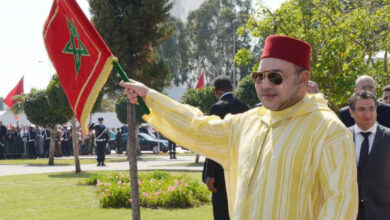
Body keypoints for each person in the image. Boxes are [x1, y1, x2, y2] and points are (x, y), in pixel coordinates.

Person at [120, 35, 358, 219]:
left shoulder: (328, 131)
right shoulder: (247, 123)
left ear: (303, 80)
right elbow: (196, 128)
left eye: (276, 77)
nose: (265, 84)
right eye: (259, 76)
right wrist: (150, 97)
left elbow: (340, 206)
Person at [202, 75, 249, 220]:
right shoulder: (245, 107)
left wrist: (210, 174)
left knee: (221, 212)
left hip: (220, 170)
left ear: (217, 92)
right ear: (232, 88)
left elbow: (214, 142)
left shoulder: (217, 107)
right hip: (241, 167)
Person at [347, 91, 390, 220]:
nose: (367, 114)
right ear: (351, 112)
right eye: (361, 109)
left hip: (383, 212)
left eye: (372, 109)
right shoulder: (342, 138)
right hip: (351, 213)